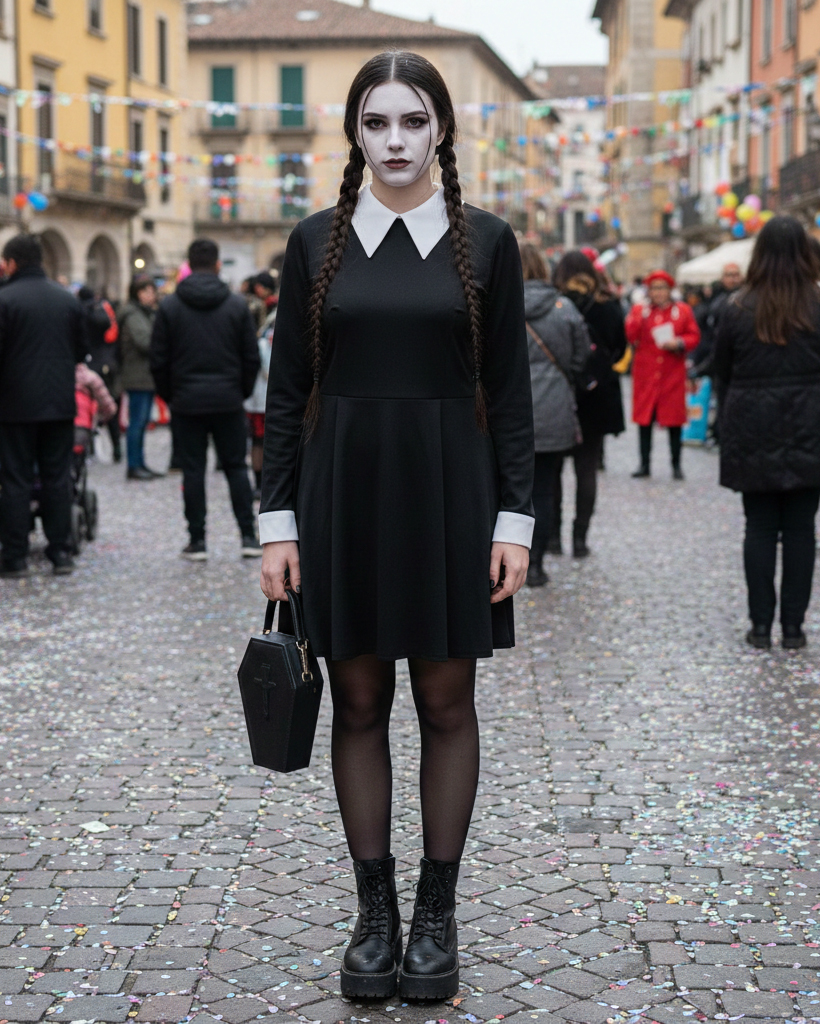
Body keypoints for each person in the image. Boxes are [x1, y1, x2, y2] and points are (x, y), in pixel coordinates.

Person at [258, 51, 533, 1001]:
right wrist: (277, 524)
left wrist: (516, 521)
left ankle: (435, 913)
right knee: (360, 703)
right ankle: (373, 914)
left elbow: (509, 392)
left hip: (453, 496)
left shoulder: (487, 242)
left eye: (413, 122)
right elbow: (287, 389)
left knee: (447, 705)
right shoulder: (314, 242)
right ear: (355, 134)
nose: (396, 141)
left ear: (442, 129)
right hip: (342, 495)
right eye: (376, 124)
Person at [713, 217, 820, 651]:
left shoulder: (737, 307)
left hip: (751, 427)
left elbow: (722, 370)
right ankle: (792, 628)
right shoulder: (816, 305)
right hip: (810, 425)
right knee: (800, 531)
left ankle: (760, 626)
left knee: (758, 528)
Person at [150, 238, 261, 560]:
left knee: (193, 470)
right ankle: (248, 537)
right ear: (216, 265)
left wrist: (171, 395)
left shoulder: (169, 306)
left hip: (187, 400)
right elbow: (250, 357)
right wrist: (239, 390)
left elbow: (158, 359)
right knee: (235, 468)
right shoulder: (237, 305)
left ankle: (197, 540)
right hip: (227, 398)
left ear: (188, 264)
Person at [0, 233, 87, 578]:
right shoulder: (66, 300)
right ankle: (60, 552)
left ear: (12, 263)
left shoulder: (4, 299)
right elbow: (81, 351)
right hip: (59, 403)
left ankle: (16, 556)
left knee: (16, 479)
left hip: (14, 406)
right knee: (56, 478)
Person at [520, 243, 589, 586]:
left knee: (511, 489)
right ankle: (535, 564)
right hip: (555, 410)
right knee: (545, 489)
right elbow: (580, 359)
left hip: (512, 413)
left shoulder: (497, 306)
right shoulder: (566, 309)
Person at [553, 251, 627, 555]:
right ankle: (580, 538)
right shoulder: (607, 305)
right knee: (587, 470)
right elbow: (621, 347)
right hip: (596, 395)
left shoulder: (554, 305)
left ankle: (552, 538)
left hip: (560, 393)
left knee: (552, 470)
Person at [626, 269, 700, 480]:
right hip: (646, 375)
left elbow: (694, 335)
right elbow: (631, 335)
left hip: (672, 374)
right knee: (645, 420)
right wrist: (638, 315)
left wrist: (679, 343)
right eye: (654, 288)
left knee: (674, 420)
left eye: (662, 288)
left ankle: (676, 464)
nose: (658, 293)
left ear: (669, 290)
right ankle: (644, 463)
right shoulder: (641, 310)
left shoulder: (683, 311)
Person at [118, 274, 161, 481]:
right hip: (137, 375)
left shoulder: (145, 313)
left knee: (142, 421)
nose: (151, 295)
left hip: (145, 375)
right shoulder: (134, 314)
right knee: (137, 422)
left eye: (152, 291)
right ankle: (134, 465)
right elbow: (144, 341)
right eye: (146, 291)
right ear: (137, 293)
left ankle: (140, 463)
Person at [245, 271, 279, 500]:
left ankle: (262, 483)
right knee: (264, 439)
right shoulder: (269, 311)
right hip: (264, 385)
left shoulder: (260, 310)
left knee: (261, 438)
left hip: (261, 387)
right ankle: (265, 483)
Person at [78, 285, 122, 463]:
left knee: (87, 409)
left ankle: (87, 449)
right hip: (106, 363)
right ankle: (117, 447)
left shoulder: (81, 313)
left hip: (88, 364)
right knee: (110, 405)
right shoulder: (102, 313)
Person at [690, 262, 744, 378]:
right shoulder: (717, 301)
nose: (733, 279)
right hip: (720, 355)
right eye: (729, 275)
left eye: (736, 275)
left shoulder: (746, 299)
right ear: (722, 278)